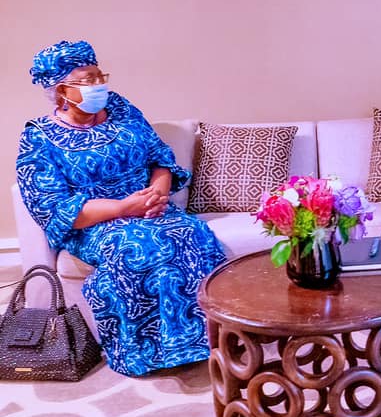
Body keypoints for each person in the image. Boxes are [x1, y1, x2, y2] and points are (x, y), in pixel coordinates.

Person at [17, 40, 227, 376]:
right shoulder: (39, 138)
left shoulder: (121, 109)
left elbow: (159, 157)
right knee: (138, 247)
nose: (99, 86)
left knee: (190, 232)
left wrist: (158, 192)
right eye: (88, 80)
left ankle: (204, 338)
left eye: (100, 77)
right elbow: (52, 207)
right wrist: (122, 208)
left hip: (150, 208)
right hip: (97, 224)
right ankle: (144, 351)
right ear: (60, 91)